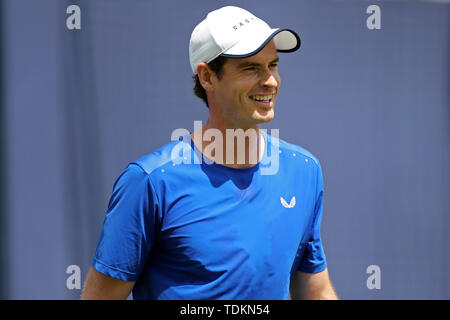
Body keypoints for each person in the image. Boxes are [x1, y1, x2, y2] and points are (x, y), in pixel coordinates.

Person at [81, 6, 338, 300]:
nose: (270, 81)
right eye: (250, 68)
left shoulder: (304, 170)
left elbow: (315, 291)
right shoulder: (150, 182)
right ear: (207, 77)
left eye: (273, 65)